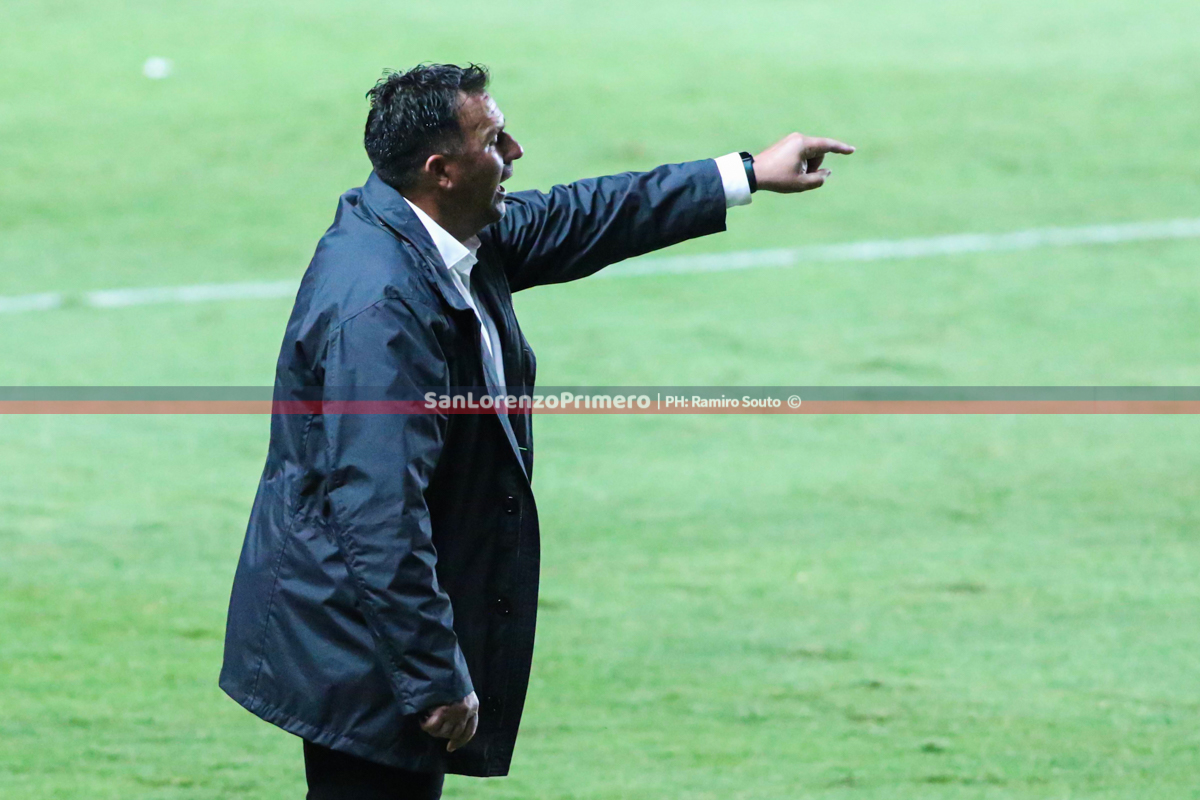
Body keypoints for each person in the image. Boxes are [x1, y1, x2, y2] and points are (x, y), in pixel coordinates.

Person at [219, 62, 854, 799]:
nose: (516, 151)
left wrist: (742, 174)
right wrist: (431, 676)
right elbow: (378, 512)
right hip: (359, 642)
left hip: (368, 627)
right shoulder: (383, 310)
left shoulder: (438, 235)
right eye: (495, 140)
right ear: (442, 170)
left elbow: (582, 215)